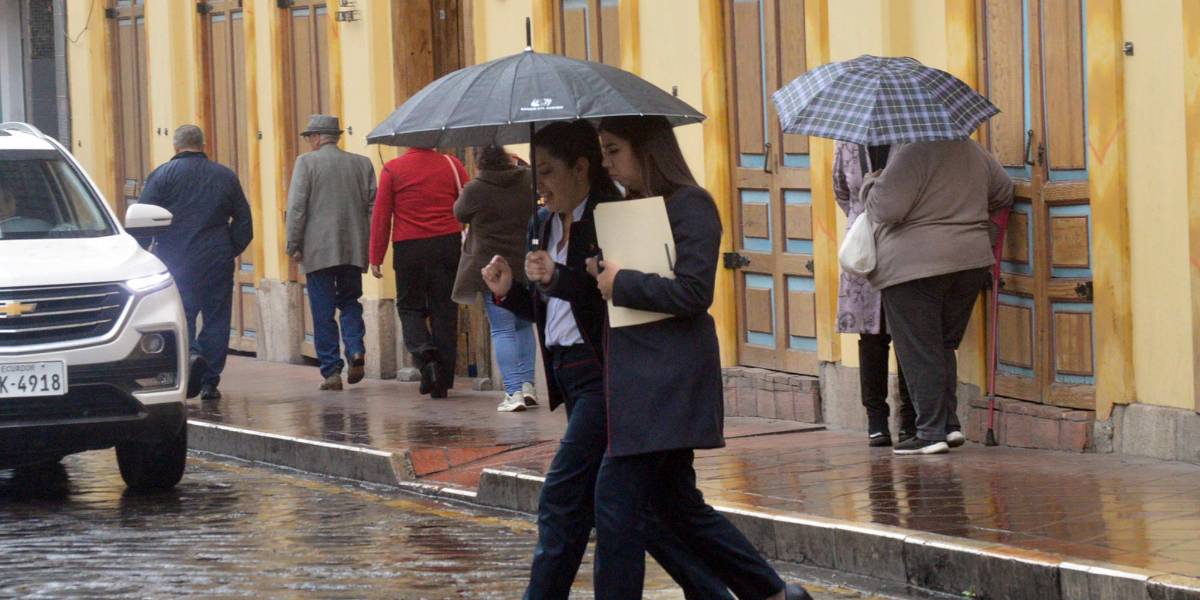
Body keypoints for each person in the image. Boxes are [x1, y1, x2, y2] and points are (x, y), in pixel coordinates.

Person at [481, 120, 731, 600]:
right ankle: (731, 591)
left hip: (609, 373)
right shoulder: (540, 223)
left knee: (566, 497)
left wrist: (562, 278)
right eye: (536, 173)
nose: (542, 185)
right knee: (653, 506)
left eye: (549, 171)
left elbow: (613, 299)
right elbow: (548, 309)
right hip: (568, 374)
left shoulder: (613, 216)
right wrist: (511, 292)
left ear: (581, 168)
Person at [587, 115, 810, 600]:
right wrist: (592, 277)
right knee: (675, 505)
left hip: (669, 380)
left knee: (616, 499)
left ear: (647, 150)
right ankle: (771, 592)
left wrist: (621, 282)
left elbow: (693, 292)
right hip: (639, 379)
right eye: (602, 152)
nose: (607, 163)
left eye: (614, 150)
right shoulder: (631, 211)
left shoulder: (692, 205)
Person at [861, 140, 1013, 456]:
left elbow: (886, 209)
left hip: (914, 266)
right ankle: (949, 425)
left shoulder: (910, 151)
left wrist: (872, 182)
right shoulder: (972, 148)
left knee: (920, 349)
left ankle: (930, 431)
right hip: (969, 261)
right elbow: (1003, 191)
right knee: (943, 345)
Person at [138, 125, 252, 400]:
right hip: (216, 259)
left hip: (175, 259)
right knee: (217, 318)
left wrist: (142, 254)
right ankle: (211, 381)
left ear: (176, 147)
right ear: (203, 145)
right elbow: (244, 221)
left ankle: (191, 358)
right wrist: (229, 248)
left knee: (182, 313)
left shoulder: (162, 175)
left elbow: (141, 218)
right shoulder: (225, 176)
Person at [832, 141, 916, 447]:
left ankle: (910, 419)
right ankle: (876, 420)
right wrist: (860, 220)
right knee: (871, 337)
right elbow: (841, 190)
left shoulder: (908, 143)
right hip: (862, 248)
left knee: (907, 335)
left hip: (902, 242)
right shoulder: (845, 142)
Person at [286, 115, 376, 391]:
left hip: (318, 250)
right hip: (352, 247)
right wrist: (368, 244)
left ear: (316, 137)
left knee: (323, 309)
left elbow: (297, 208)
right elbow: (374, 207)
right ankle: (356, 349)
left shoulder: (306, 163)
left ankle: (331, 371)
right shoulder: (362, 164)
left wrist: (293, 244)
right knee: (350, 301)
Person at [369, 145, 466, 399]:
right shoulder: (452, 164)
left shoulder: (392, 169)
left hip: (409, 247)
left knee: (409, 307)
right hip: (447, 243)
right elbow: (468, 202)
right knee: (445, 310)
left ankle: (426, 357)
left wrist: (376, 256)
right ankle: (442, 381)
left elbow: (382, 216)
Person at [451, 145, 538, 412]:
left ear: (479, 162)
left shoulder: (476, 188)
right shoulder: (527, 178)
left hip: (494, 268)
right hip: (524, 263)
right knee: (524, 326)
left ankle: (512, 393)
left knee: (502, 329)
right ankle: (528, 385)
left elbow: (459, 213)